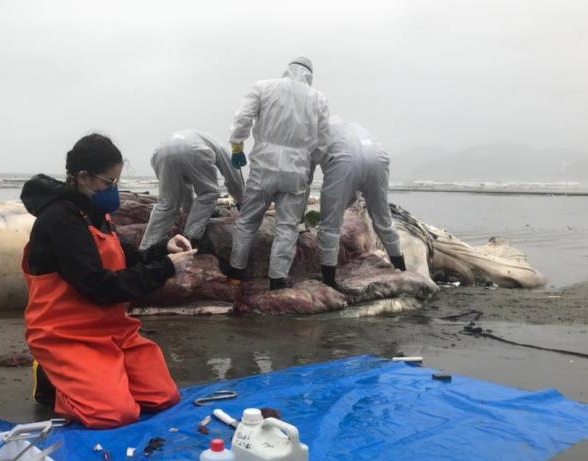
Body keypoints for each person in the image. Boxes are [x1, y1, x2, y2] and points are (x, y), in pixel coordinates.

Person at [20, 133, 196, 429]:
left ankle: (101, 378)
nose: (113, 190)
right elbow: (99, 287)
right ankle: (53, 382)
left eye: (117, 182)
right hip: (67, 334)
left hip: (113, 330)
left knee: (163, 397)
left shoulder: (96, 213)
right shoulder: (60, 220)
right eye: (108, 183)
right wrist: (165, 269)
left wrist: (162, 249)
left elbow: (126, 257)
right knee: (115, 414)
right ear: (83, 177)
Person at [224, 57, 331, 290]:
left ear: (287, 70)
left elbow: (243, 117)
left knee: (248, 220)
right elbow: (323, 142)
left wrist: (237, 145)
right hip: (297, 169)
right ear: (309, 76)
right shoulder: (318, 99)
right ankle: (277, 279)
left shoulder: (264, 86)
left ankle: (236, 272)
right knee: (287, 226)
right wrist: (311, 166)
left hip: (264, 163)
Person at [315, 118, 405, 290]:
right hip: (378, 158)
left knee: (330, 225)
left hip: (344, 161)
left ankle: (329, 282)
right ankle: (401, 267)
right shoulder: (353, 125)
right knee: (382, 217)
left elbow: (307, 171)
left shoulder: (317, 131)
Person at [139, 130, 245, 250]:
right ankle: (189, 240)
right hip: (195, 150)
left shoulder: (199, 137)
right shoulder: (222, 148)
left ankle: (146, 248)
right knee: (208, 193)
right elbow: (234, 177)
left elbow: (184, 190)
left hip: (161, 153)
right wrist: (241, 200)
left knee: (167, 204)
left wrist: (187, 210)